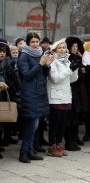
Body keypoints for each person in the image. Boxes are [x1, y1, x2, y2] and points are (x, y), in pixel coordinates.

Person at [18, 32, 53, 163]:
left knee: (36, 124)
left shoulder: (40, 54)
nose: (35, 44)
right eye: (32, 42)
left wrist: (47, 65)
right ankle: (23, 152)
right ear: (28, 43)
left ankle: (30, 150)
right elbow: (26, 75)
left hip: (40, 93)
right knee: (32, 125)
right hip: (30, 93)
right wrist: (40, 64)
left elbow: (44, 75)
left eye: (37, 41)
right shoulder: (24, 56)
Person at [47, 39, 78, 157]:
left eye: (64, 47)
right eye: (59, 48)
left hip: (65, 96)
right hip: (55, 96)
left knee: (62, 124)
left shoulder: (67, 61)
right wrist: (70, 70)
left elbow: (72, 79)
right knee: (55, 123)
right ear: (55, 50)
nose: (62, 50)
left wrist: (74, 70)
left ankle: (59, 145)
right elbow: (55, 78)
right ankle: (51, 146)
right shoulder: (53, 61)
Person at [64, 36, 88, 151]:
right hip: (71, 90)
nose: (74, 48)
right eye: (73, 46)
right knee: (70, 117)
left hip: (79, 91)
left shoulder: (79, 58)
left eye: (76, 46)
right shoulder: (67, 59)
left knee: (77, 116)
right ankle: (69, 141)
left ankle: (74, 138)